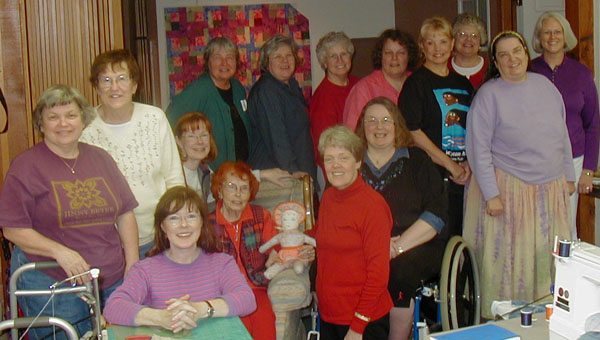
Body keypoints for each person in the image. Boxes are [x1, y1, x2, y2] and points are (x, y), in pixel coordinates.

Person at [0, 85, 139, 339]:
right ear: (41, 123)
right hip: (53, 281)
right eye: (53, 117)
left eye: (71, 115)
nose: (63, 123)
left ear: (83, 119)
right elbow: (12, 228)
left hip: (111, 279)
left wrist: (132, 263)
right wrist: (60, 252)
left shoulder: (101, 159)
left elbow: (125, 213)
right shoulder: (25, 166)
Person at [464, 31, 575, 319]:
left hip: (549, 189)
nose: (512, 59)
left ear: (526, 53)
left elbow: (561, 133)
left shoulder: (545, 87)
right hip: (509, 189)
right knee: (511, 263)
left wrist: (568, 174)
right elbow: (478, 149)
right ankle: (508, 320)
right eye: (503, 54)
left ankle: (545, 317)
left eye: (517, 51)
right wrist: (492, 195)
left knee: (545, 259)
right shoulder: (489, 95)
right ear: (496, 62)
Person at [104, 186, 256, 333]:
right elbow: (113, 308)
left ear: (202, 222)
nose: (184, 225)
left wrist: (201, 309)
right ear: (163, 226)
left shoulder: (223, 263)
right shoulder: (145, 269)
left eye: (191, 216)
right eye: (174, 218)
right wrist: (161, 317)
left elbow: (247, 300)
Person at [356, 97, 447, 339]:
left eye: (387, 120)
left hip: (415, 243)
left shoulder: (416, 161)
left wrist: (396, 248)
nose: (379, 127)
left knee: (398, 270)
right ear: (362, 127)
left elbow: (436, 215)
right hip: (363, 244)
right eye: (372, 121)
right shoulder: (351, 164)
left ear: (397, 125)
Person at [80, 49, 185, 259]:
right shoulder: (85, 127)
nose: (114, 87)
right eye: (106, 80)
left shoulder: (154, 118)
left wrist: (173, 228)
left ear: (134, 85)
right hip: (105, 242)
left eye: (121, 79)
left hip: (156, 236)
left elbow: (175, 180)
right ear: (96, 86)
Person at [209, 161, 314, 338]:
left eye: (244, 188)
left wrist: (296, 253)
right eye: (231, 186)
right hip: (222, 293)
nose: (238, 194)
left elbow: (279, 246)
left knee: (264, 329)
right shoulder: (207, 224)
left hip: (256, 288)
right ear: (219, 190)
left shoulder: (260, 216)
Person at [316, 126, 393, 339]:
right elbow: (326, 237)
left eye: (343, 157)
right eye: (329, 159)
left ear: (358, 162)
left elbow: (378, 276)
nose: (335, 165)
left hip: (363, 322)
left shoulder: (373, 207)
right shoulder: (329, 197)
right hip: (329, 315)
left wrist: (358, 326)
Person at [399, 16, 474, 237]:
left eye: (442, 41)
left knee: (462, 238)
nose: (437, 48)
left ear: (452, 44)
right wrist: (450, 164)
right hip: (432, 177)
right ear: (422, 46)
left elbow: (475, 128)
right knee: (438, 240)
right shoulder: (416, 84)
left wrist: (468, 162)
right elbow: (412, 132)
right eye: (430, 42)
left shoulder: (464, 84)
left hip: (463, 176)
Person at [530, 11, 600, 238]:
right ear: (539, 37)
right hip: (533, 159)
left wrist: (588, 169)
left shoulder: (581, 74)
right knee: (536, 222)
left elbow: (593, 124)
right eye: (547, 32)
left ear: (565, 36)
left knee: (564, 223)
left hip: (574, 160)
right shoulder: (528, 71)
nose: (552, 37)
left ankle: (563, 272)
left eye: (557, 32)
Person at [174, 112, 295, 209]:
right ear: (178, 141)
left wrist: (263, 174)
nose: (199, 141)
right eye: (191, 136)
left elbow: (226, 183)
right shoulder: (173, 174)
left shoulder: (204, 170)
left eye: (204, 135)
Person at [167, 37, 251, 170]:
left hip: (239, 172)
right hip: (212, 175)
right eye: (217, 57)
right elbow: (168, 123)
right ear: (208, 62)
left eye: (229, 57)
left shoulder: (238, 88)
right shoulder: (200, 89)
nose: (224, 63)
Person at [247, 35, 317, 184]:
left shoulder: (290, 85)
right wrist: (294, 174)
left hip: (299, 172)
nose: (284, 61)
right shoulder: (267, 91)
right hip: (280, 179)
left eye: (288, 55)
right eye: (277, 56)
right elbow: (277, 138)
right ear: (267, 63)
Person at [343, 29, 419, 130]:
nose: (394, 58)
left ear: (409, 56)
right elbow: (352, 135)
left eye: (401, 52)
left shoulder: (419, 83)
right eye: (388, 53)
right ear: (380, 56)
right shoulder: (364, 89)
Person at [309, 32, 359, 170]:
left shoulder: (359, 85)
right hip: (340, 166)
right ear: (324, 62)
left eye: (344, 54)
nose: (340, 60)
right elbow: (325, 148)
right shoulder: (323, 98)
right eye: (333, 56)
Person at [449, 13, 489, 89]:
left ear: (481, 41)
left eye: (474, 36)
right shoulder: (443, 68)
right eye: (462, 34)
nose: (468, 39)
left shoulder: (491, 69)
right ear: (454, 38)